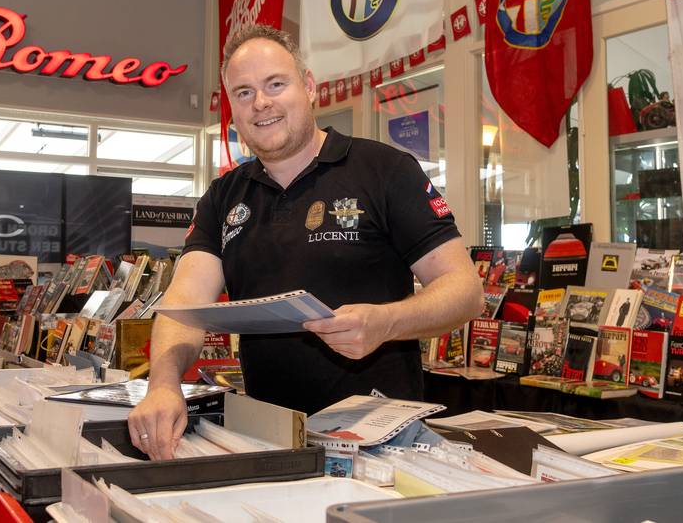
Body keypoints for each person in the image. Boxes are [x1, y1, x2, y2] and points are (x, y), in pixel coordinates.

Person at [128, 24, 483, 460]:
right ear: (233, 111)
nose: (261, 102)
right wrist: (163, 385)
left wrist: (386, 322)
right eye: (244, 92)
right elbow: (184, 304)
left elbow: (465, 290)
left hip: (380, 444)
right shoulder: (223, 197)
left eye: (276, 84)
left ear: (309, 87)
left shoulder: (384, 170)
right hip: (269, 438)